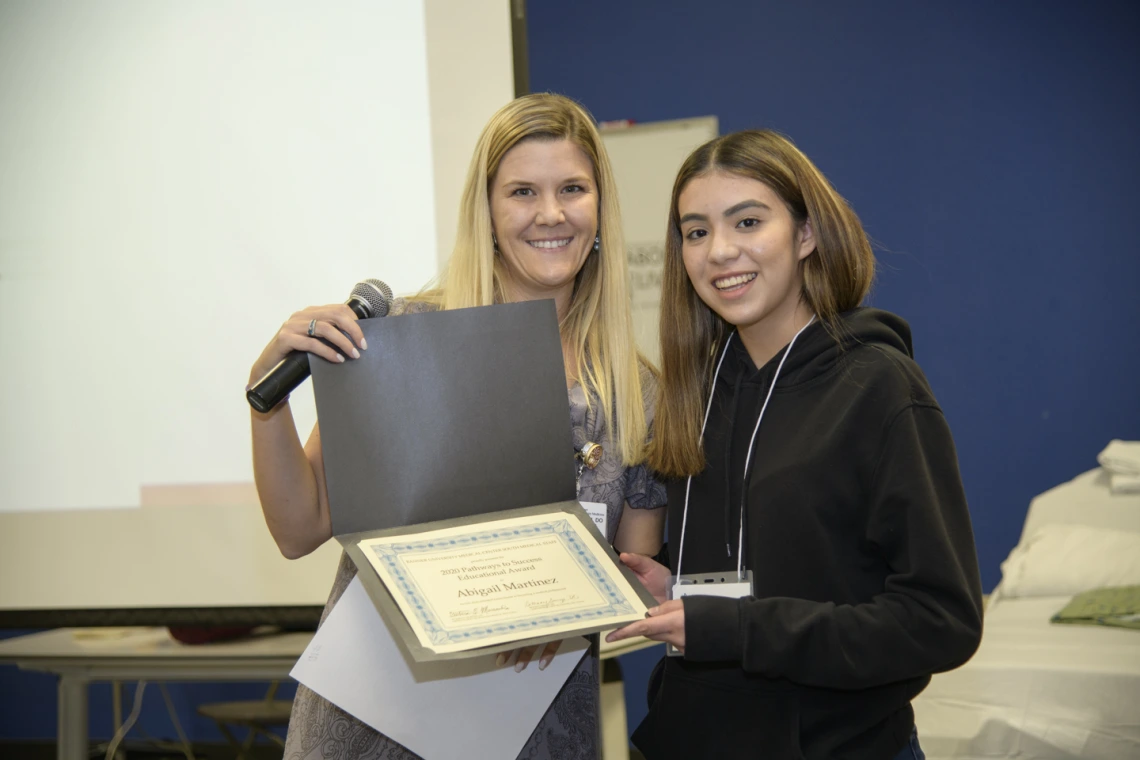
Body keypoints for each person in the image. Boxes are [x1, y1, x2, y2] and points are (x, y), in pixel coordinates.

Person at [248, 93, 667, 760]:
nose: (551, 213)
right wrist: (265, 402)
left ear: (600, 209)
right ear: (489, 211)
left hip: (534, 725)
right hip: (376, 720)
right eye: (523, 191)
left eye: (572, 189)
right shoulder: (403, 337)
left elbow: (636, 570)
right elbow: (299, 531)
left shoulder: (637, 388)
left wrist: (569, 601)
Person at [605, 130, 983, 760]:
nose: (720, 251)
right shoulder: (691, 391)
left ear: (806, 234)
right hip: (691, 738)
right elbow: (775, 565)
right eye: (696, 232)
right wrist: (675, 591)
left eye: (747, 221)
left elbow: (941, 622)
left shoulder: (880, 388)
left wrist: (741, 630)